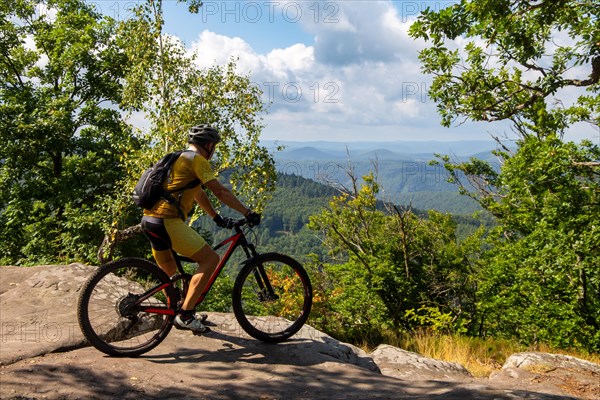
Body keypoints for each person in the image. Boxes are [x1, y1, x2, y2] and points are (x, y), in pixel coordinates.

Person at [141, 124, 260, 333]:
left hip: (149, 220)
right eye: (214, 147)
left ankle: (179, 310)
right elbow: (220, 192)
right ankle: (185, 316)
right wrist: (247, 212)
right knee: (210, 259)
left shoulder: (178, 157)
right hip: (167, 222)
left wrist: (215, 217)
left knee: (169, 271)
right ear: (209, 145)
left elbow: (196, 193)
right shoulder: (198, 160)